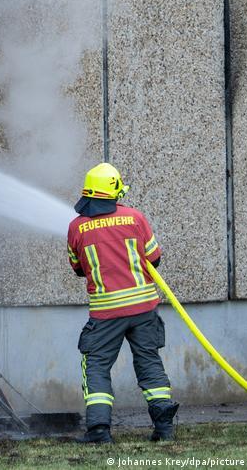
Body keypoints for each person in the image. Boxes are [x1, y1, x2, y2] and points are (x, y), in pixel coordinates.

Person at [67, 163, 179, 444]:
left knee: (96, 365)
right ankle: (164, 428)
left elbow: (78, 268)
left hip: (106, 314)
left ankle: (99, 431)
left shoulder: (76, 227)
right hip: (143, 308)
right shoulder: (135, 218)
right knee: (149, 361)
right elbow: (154, 259)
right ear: (115, 192)